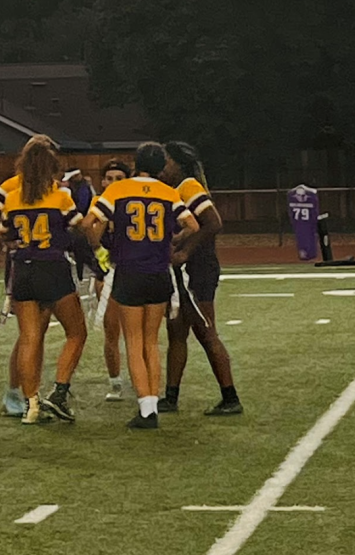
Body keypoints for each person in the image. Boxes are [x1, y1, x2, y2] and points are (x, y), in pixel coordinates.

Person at [83, 142, 198, 429]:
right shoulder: (169, 192)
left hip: (129, 272)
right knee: (151, 342)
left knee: (133, 342)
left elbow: (88, 223)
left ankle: (146, 409)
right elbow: (193, 225)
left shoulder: (118, 190)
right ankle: (154, 405)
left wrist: (99, 246)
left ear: (136, 163)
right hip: (159, 272)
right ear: (161, 166)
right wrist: (170, 243)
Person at [0, 140, 88, 424]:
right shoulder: (60, 195)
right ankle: (59, 391)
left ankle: (31, 406)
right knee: (76, 333)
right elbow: (79, 226)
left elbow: (4, 232)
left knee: (29, 338)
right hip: (53, 267)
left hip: (23, 268)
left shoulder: (13, 198)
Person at [0, 135, 59, 418]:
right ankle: (16, 391)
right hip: (27, 263)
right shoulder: (13, 185)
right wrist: (7, 238)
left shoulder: (47, 186)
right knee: (30, 333)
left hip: (39, 262)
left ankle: (28, 389)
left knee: (37, 331)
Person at [160, 141, 242, 417]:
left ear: (178, 164)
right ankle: (170, 396)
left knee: (206, 332)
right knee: (176, 332)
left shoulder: (189, 186)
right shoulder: (177, 189)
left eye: (166, 160)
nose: (163, 166)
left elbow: (214, 222)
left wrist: (185, 249)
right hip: (185, 270)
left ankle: (230, 396)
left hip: (199, 269)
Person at [96, 159, 130, 402]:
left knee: (137, 331)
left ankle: (145, 381)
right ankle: (115, 381)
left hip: (133, 270)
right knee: (111, 328)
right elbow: (89, 237)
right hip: (107, 272)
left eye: (119, 178)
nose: (113, 183)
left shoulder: (133, 204)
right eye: (109, 178)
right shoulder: (98, 206)